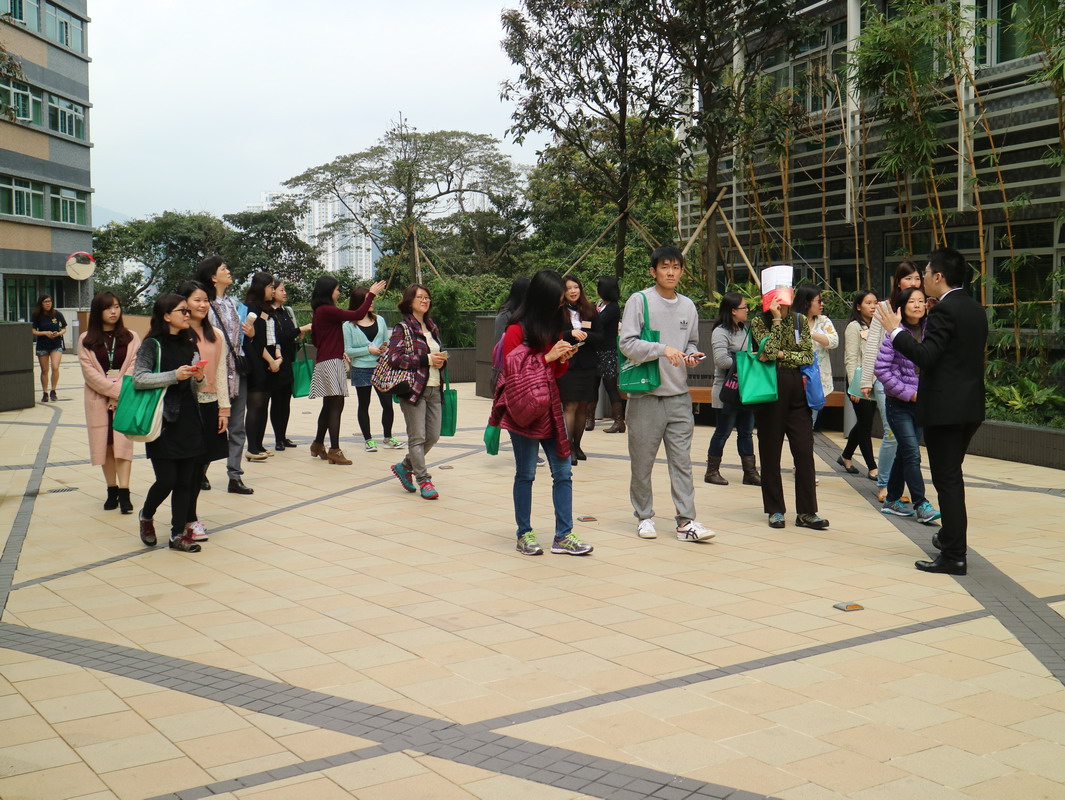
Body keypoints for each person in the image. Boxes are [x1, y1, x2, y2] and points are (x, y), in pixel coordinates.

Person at [877, 248, 987, 576]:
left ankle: (954, 555)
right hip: (969, 407)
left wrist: (895, 330)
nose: (922, 278)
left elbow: (927, 356)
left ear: (938, 276)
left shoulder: (944, 311)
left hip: (945, 409)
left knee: (947, 480)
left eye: (925, 272)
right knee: (952, 477)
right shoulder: (975, 309)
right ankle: (949, 538)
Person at [489, 269, 593, 556]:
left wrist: (562, 358)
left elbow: (553, 372)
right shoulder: (515, 330)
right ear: (543, 299)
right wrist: (547, 357)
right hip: (521, 411)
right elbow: (512, 375)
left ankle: (564, 534)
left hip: (549, 407)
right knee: (525, 474)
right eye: (558, 300)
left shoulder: (550, 326)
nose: (562, 305)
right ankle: (524, 533)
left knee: (563, 473)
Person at [618, 245, 715, 543]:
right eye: (664, 267)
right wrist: (662, 349)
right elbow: (627, 344)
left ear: (682, 272)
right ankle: (644, 516)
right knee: (642, 462)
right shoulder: (640, 301)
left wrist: (690, 355)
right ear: (653, 271)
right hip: (645, 397)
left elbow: (691, 342)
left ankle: (686, 522)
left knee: (682, 462)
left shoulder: (688, 306)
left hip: (678, 397)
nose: (670, 272)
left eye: (676, 267)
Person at [132, 294, 207, 553]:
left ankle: (178, 535)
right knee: (167, 479)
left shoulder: (190, 342)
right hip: (162, 420)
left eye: (188, 311)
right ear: (166, 316)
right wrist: (173, 376)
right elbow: (139, 379)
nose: (187, 314)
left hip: (189, 418)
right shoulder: (152, 345)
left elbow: (200, 385)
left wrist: (198, 376)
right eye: (182, 311)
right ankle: (146, 515)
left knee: (186, 480)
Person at [750, 293, 829, 530]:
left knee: (804, 451)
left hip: (797, 389)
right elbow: (767, 352)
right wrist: (775, 320)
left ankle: (807, 511)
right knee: (770, 450)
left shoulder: (799, 320)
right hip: (769, 389)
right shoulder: (758, 322)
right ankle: (775, 509)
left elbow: (807, 355)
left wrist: (783, 355)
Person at [875, 287, 941, 525]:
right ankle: (921, 504)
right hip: (899, 405)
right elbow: (881, 370)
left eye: (921, 301)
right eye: (912, 301)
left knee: (905, 453)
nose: (917, 305)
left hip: (923, 405)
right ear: (901, 307)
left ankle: (892, 499)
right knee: (912, 453)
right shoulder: (894, 335)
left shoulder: (931, 331)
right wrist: (909, 394)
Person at [308, 275, 387, 465]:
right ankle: (334, 449)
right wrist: (370, 295)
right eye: (336, 289)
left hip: (327, 360)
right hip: (331, 362)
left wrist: (336, 349)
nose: (338, 292)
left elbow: (316, 340)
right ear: (328, 292)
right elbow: (357, 315)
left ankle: (318, 444)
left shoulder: (320, 311)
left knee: (329, 405)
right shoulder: (328, 310)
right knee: (336, 406)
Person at [860, 262, 922, 502]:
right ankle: (884, 484)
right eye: (908, 279)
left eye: (917, 279)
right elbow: (873, 343)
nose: (914, 283)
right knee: (891, 432)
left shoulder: (922, 307)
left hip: (914, 383)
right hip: (886, 378)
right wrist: (866, 380)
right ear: (898, 282)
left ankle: (896, 486)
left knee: (907, 439)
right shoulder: (885, 307)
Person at [78, 291, 141, 515]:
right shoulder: (86, 339)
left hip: (125, 399)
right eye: (108, 308)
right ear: (98, 311)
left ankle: (125, 492)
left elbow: (135, 368)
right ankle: (111, 489)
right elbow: (89, 374)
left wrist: (119, 394)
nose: (114, 311)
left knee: (123, 445)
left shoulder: (132, 337)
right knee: (105, 446)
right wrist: (114, 391)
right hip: (98, 400)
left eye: (116, 306)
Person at [196, 256, 254, 495]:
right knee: (210, 426)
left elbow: (236, 338)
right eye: (223, 268)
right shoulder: (204, 304)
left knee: (238, 427)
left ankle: (235, 476)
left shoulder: (232, 303)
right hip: (213, 375)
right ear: (213, 276)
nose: (228, 271)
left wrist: (248, 333)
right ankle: (200, 471)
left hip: (237, 373)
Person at [178, 280, 230, 544]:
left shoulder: (216, 335)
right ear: (185, 302)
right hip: (184, 406)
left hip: (209, 405)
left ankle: (190, 517)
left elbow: (221, 373)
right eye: (197, 299)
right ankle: (184, 519)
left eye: (205, 300)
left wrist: (224, 409)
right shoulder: (178, 331)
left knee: (200, 467)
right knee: (186, 468)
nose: (202, 305)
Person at [386, 284, 447, 499]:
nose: (425, 300)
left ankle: (404, 466)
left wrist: (440, 362)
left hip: (434, 386)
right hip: (413, 389)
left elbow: (435, 356)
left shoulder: (432, 327)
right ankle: (424, 481)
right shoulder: (402, 328)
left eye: (427, 297)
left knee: (433, 435)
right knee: (417, 437)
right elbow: (394, 358)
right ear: (409, 301)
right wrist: (426, 359)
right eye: (420, 297)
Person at [705, 291, 760, 487]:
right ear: (733, 311)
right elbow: (721, 360)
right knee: (723, 432)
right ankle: (712, 471)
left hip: (746, 391)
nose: (747, 310)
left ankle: (750, 473)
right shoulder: (720, 331)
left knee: (746, 432)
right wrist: (747, 362)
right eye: (744, 307)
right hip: (727, 390)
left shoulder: (744, 330)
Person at [343, 285, 403, 452]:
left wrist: (384, 348)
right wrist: (367, 350)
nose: (371, 303)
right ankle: (368, 439)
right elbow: (347, 350)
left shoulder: (380, 320)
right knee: (364, 404)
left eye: (372, 299)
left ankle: (388, 437)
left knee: (387, 404)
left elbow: (387, 342)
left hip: (381, 367)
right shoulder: (348, 325)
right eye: (367, 299)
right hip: (361, 368)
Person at [557, 276, 600, 463]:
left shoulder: (590, 310)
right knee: (570, 405)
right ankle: (567, 449)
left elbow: (602, 336)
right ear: (563, 292)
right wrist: (570, 334)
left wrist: (586, 336)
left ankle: (577, 445)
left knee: (584, 405)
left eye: (576, 287)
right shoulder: (557, 311)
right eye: (568, 288)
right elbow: (552, 334)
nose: (573, 291)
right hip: (568, 364)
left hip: (587, 365)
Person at [839, 291, 879, 480]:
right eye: (868, 303)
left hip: (875, 382)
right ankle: (872, 467)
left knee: (865, 422)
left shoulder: (878, 325)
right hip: (858, 381)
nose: (873, 306)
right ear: (858, 306)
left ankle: (846, 456)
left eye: (875, 302)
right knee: (865, 425)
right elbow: (851, 358)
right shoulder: (854, 327)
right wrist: (855, 387)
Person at [241, 272, 278, 462]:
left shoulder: (265, 308)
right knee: (255, 404)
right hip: (255, 361)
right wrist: (270, 360)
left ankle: (259, 444)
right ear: (260, 287)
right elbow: (252, 340)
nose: (273, 290)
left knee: (263, 403)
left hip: (266, 361)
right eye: (271, 286)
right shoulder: (250, 308)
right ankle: (252, 447)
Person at [269, 280, 309, 450]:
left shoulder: (287, 311)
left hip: (289, 360)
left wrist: (298, 335)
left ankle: (283, 436)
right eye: (281, 290)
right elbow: (280, 336)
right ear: (272, 292)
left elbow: (289, 335)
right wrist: (301, 329)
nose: (284, 293)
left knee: (286, 401)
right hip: (276, 361)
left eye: (284, 290)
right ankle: (277, 438)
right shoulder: (269, 313)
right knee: (277, 401)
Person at [792, 284, 838, 430]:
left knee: (811, 419)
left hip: (817, 380)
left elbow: (834, 342)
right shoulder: (792, 321)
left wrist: (811, 334)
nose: (822, 304)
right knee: (797, 422)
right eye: (819, 301)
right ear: (806, 302)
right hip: (795, 378)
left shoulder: (823, 321)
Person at [592, 276, 624, 434]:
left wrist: (584, 322)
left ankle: (619, 421)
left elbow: (597, 323)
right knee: (593, 384)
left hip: (608, 351)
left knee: (610, 385)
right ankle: (589, 419)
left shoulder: (612, 308)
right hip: (597, 350)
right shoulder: (601, 305)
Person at [492, 276, 530, 391]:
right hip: (509, 372)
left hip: (528, 371)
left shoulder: (530, 314)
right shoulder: (505, 315)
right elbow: (500, 344)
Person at [31, 294, 67, 403]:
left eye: (50, 301)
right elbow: (33, 331)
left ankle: (53, 391)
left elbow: (64, 328)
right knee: (44, 370)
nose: (48, 303)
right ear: (41, 303)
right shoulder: (36, 315)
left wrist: (59, 333)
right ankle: (45, 392)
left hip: (56, 344)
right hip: (42, 345)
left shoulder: (57, 314)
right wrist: (45, 333)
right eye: (45, 302)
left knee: (55, 367)